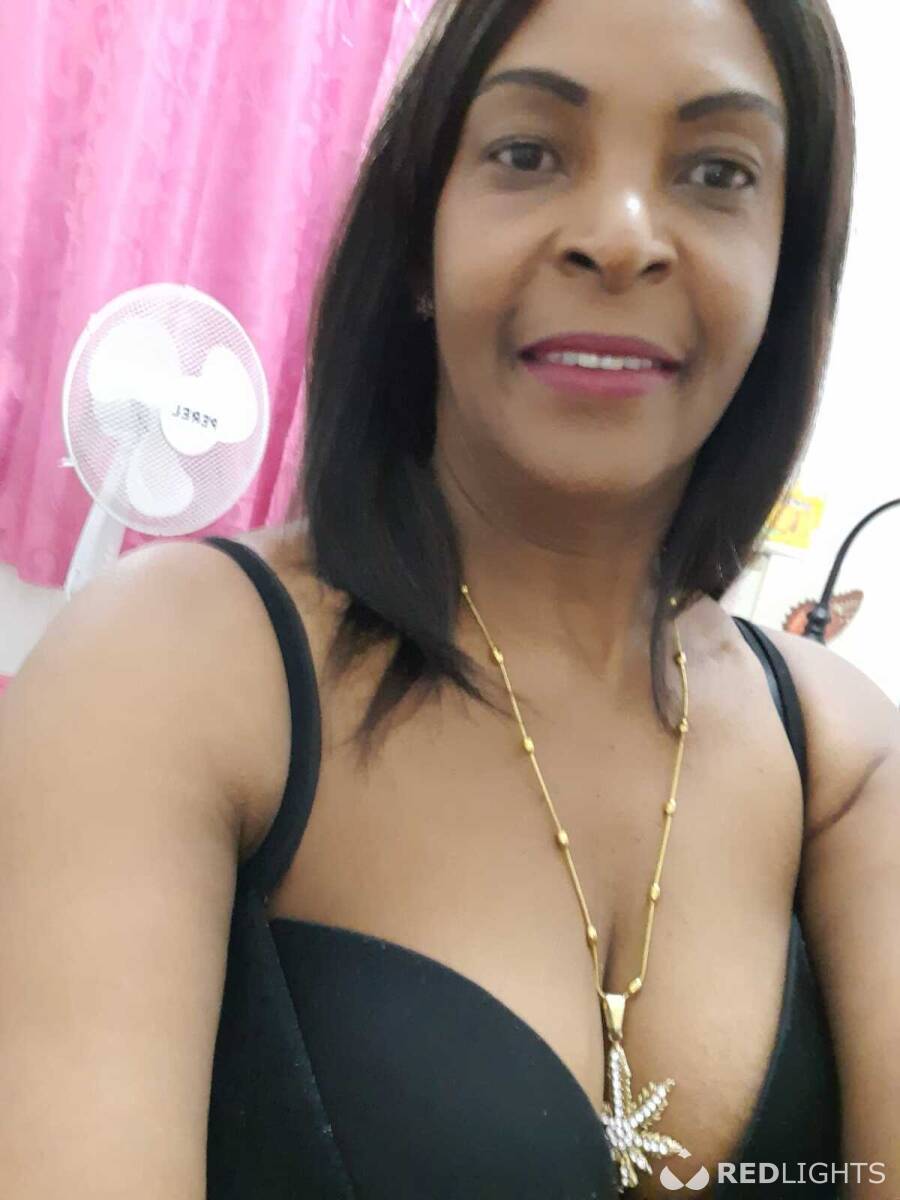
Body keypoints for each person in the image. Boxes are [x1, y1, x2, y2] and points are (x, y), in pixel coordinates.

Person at [0, 0, 897, 1196]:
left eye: (717, 173)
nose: (621, 237)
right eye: (527, 153)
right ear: (418, 237)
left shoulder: (846, 759)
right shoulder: (166, 668)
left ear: (790, 266)